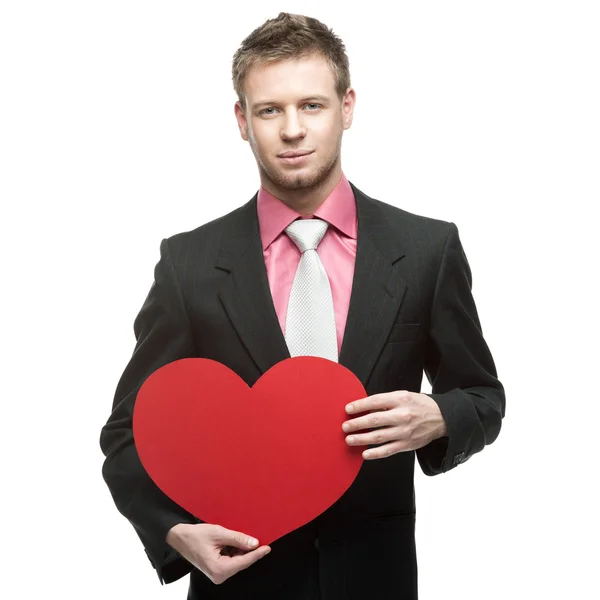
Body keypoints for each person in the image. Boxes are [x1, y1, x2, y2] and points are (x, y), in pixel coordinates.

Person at [99, 11, 505, 600]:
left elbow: (483, 396)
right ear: (242, 120)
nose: (293, 129)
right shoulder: (188, 264)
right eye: (270, 110)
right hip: (239, 588)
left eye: (311, 105)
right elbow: (127, 432)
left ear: (347, 106)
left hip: (377, 582)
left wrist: (440, 417)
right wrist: (172, 532)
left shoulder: (426, 250)